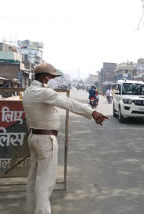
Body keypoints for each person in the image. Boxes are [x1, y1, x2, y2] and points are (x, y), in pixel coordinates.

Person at [22, 63, 108, 214]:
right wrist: (92, 112)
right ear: (44, 77)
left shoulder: (29, 91)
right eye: (51, 77)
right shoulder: (43, 92)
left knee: (34, 179)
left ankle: (31, 210)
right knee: (45, 183)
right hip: (45, 140)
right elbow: (68, 103)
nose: (52, 80)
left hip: (34, 137)